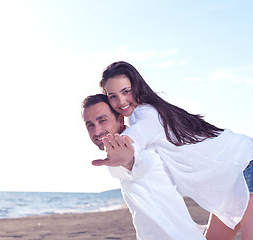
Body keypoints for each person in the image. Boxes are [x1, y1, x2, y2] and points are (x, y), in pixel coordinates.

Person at [96, 61, 253, 240]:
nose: (121, 101)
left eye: (126, 91)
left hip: (245, 163)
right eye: (112, 96)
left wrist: (120, 145)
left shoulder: (146, 112)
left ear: (137, 86)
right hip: (231, 176)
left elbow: (139, 133)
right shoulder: (149, 113)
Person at [82, 94, 206, 240]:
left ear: (120, 120)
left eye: (102, 121)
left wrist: (128, 161)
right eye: (90, 125)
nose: (97, 131)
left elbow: (141, 163)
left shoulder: (142, 149)